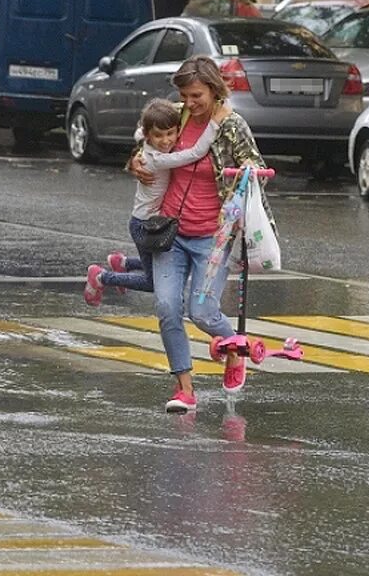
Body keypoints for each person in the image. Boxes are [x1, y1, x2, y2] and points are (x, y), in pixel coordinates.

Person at [128, 55, 272, 413]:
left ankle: (233, 348)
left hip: (213, 235)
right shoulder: (178, 115)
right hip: (170, 232)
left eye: (196, 96)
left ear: (213, 89)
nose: (189, 103)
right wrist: (134, 158)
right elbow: (145, 137)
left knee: (203, 312)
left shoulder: (233, 125)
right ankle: (184, 389)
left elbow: (254, 161)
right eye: (185, 96)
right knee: (166, 306)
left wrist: (251, 172)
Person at [83, 97, 231, 306]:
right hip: (146, 225)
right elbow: (196, 152)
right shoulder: (156, 159)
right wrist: (216, 121)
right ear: (148, 135)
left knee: (156, 265)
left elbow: (140, 132)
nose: (165, 141)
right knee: (154, 282)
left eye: (170, 133)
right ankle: (101, 277)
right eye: (158, 135)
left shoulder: (147, 145)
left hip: (148, 221)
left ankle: (122, 262)